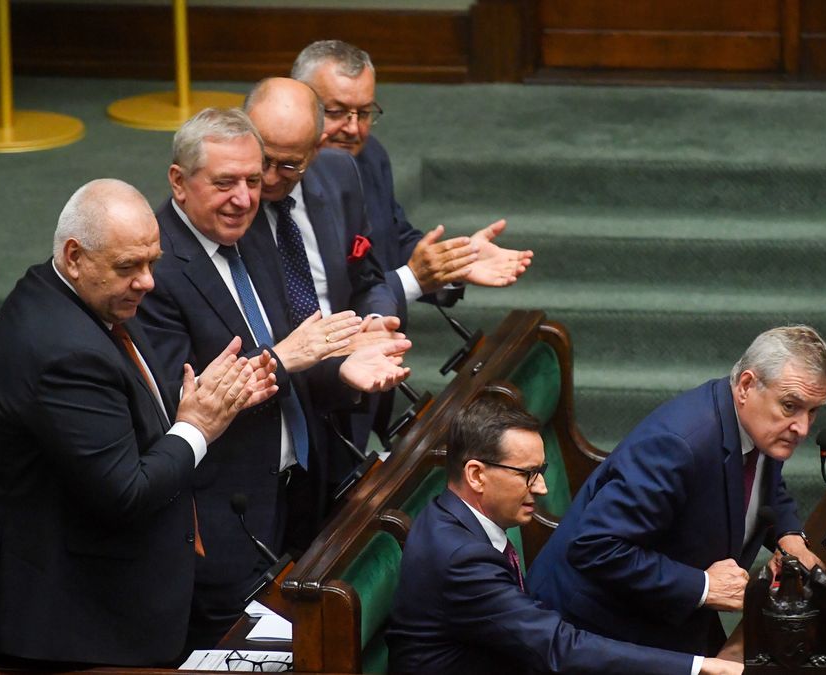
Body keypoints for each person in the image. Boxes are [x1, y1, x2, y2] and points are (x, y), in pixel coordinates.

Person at [0, 179, 278, 667]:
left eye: (153, 262)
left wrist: (194, 398)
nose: (148, 281)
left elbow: (120, 409)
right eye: (129, 266)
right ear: (74, 256)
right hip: (69, 622)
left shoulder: (73, 297)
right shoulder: (62, 351)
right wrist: (198, 426)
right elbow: (125, 492)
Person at [135, 108, 412, 649]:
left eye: (253, 181)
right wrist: (288, 357)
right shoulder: (153, 268)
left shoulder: (254, 235)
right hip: (214, 520)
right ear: (178, 182)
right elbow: (177, 402)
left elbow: (295, 359)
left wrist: (342, 374)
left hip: (287, 495)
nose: (244, 198)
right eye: (224, 183)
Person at [528, 325, 826, 657]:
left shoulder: (759, 426)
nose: (803, 428)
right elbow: (595, 546)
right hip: (592, 629)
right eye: (791, 407)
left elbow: (766, 482)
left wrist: (788, 536)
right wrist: (705, 586)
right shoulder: (680, 445)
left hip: (667, 616)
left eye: (813, 411)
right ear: (747, 385)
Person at [386, 395, 743, 675]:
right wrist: (698, 666)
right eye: (527, 474)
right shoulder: (461, 559)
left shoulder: (453, 519)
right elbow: (559, 648)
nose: (540, 487)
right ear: (477, 475)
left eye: (541, 471)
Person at [290, 39, 533, 325]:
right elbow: (323, 301)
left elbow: (393, 240)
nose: (353, 129)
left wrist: (453, 262)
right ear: (298, 103)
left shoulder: (369, 156)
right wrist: (413, 278)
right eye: (336, 112)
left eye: (364, 112)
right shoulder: (274, 182)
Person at [241, 76, 403, 484]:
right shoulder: (232, 210)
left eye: (289, 165)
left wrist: (379, 319)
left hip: (352, 389)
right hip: (276, 398)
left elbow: (367, 275)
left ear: (315, 150)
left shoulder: (340, 172)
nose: (272, 178)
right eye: (264, 160)